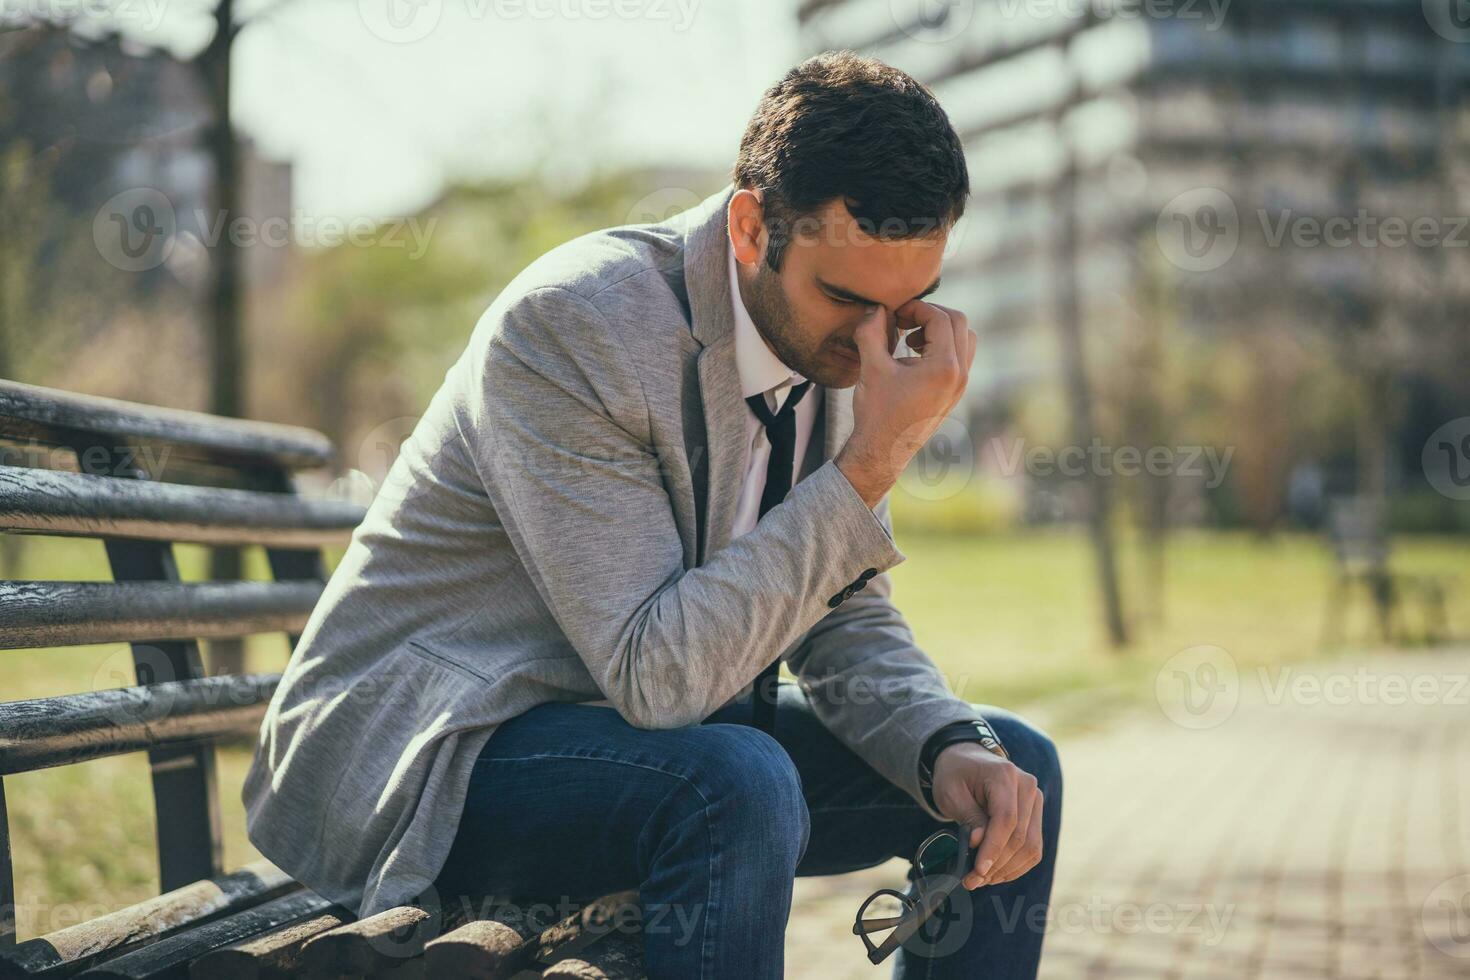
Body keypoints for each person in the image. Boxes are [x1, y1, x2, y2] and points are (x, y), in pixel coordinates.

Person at [243, 51, 1062, 979]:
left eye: (903, 304)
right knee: (734, 784)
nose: (876, 339)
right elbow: (659, 678)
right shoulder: (575, 328)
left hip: (641, 748)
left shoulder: (840, 354)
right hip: (434, 755)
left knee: (1008, 768)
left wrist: (944, 743)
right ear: (752, 228)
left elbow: (830, 605)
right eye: (844, 297)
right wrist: (873, 463)